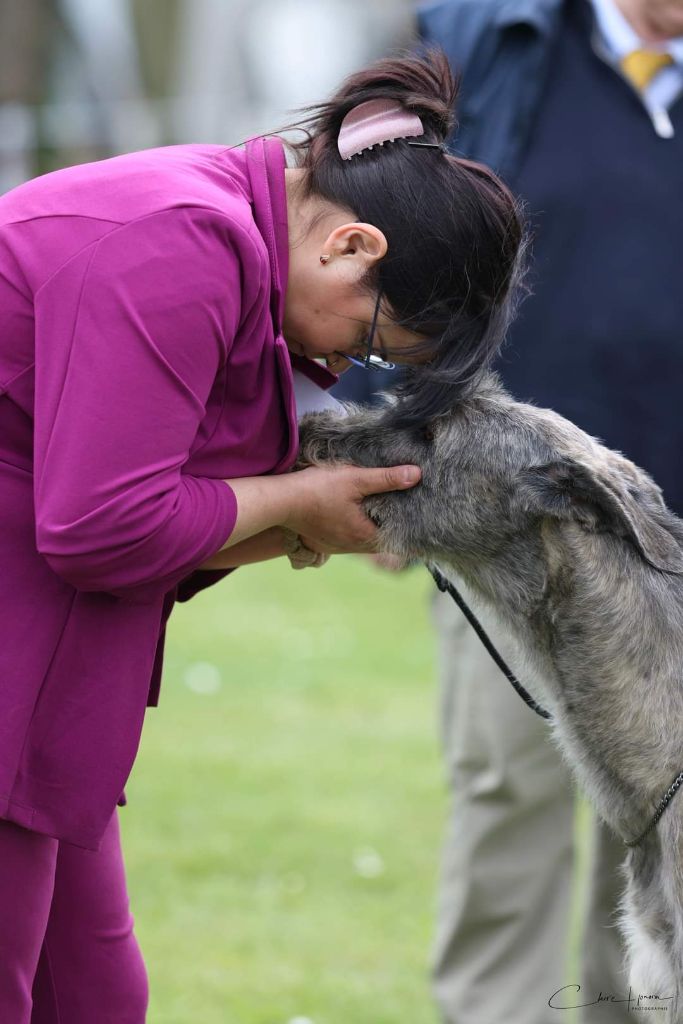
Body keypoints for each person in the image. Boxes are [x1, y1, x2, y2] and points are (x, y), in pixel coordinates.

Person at [0, 50, 526, 1022]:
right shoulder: (176, 245)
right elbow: (98, 524)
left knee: (98, 995)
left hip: (50, 670)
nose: (335, 363)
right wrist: (293, 507)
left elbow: (145, 510)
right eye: (367, 343)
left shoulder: (225, 233)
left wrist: (310, 520)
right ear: (350, 247)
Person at [416, 2, 683, 1022]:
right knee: (507, 790)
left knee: (663, 817)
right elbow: (399, 244)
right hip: (521, 525)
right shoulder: (490, 45)